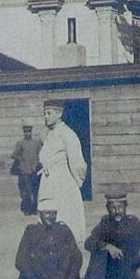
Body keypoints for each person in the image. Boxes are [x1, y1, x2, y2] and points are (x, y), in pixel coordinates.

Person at [12, 197, 83, 279]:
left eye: (54, 213)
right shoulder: (31, 232)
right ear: (39, 214)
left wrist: (61, 278)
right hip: (38, 278)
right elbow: (21, 260)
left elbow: (76, 257)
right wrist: (39, 278)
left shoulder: (64, 231)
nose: (51, 217)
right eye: (48, 213)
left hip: (61, 278)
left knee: (68, 257)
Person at [36, 99, 87, 241]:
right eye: (44, 113)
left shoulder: (68, 134)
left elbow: (78, 163)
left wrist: (73, 185)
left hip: (62, 183)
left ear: (59, 114)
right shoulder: (49, 135)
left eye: (49, 113)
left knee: (63, 214)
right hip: (48, 182)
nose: (46, 116)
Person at [11, 123, 42, 215]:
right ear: (24, 133)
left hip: (35, 170)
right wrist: (21, 160)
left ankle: (35, 209)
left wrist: (38, 162)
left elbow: (41, 152)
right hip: (25, 171)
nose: (27, 134)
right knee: (26, 192)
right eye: (25, 132)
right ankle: (27, 209)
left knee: (35, 191)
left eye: (29, 132)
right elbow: (14, 155)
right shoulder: (20, 143)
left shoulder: (36, 143)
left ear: (31, 132)